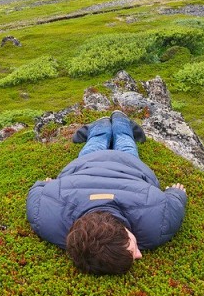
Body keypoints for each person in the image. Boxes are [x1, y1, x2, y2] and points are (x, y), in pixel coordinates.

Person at [26, 110, 188, 275]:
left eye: (133, 249)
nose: (139, 254)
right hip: (86, 164)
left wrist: (176, 192)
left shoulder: (156, 225)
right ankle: (110, 121)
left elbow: (175, 201)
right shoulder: (48, 222)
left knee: (125, 143)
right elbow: (37, 192)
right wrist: (45, 185)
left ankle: (118, 120)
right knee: (98, 143)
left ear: (125, 230)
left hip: (127, 165)